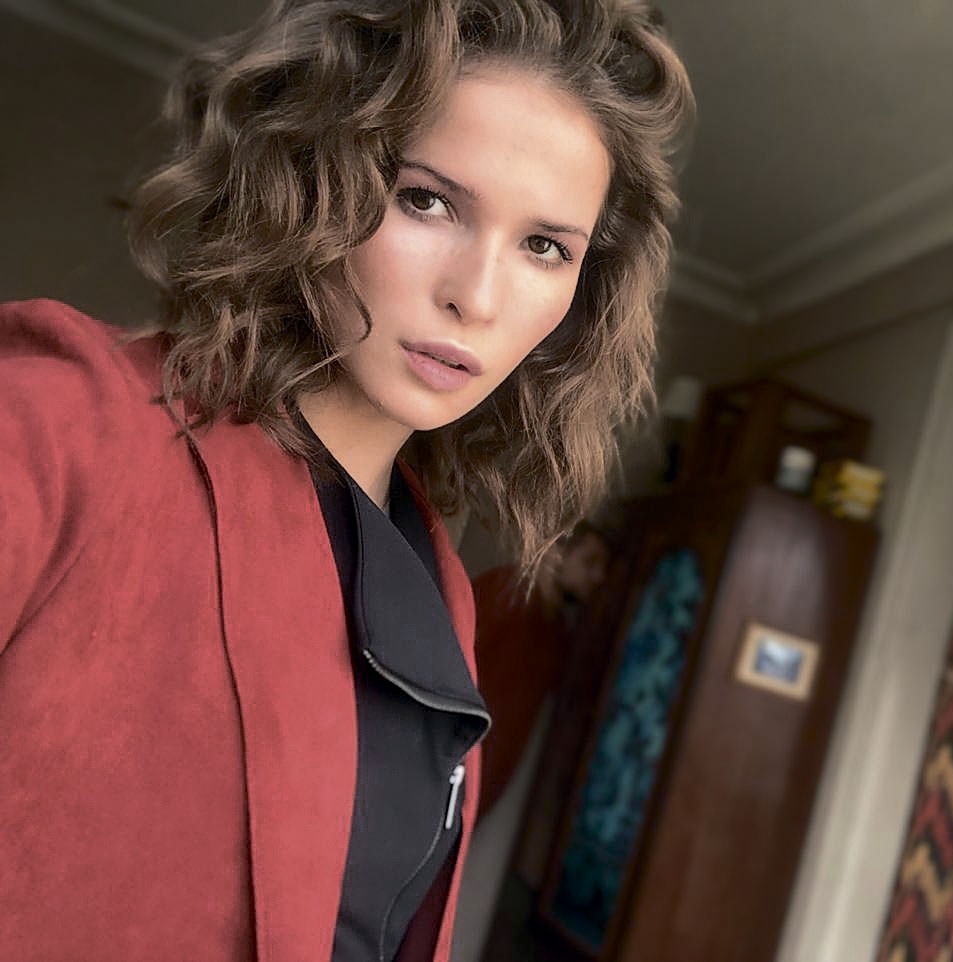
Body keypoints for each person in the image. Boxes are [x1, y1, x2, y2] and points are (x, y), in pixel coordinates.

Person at [0, 0, 692, 959]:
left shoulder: (434, 589)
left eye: (545, 247)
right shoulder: (63, 427)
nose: (476, 295)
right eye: (428, 201)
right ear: (313, 177)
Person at [474, 522, 612, 819]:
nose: (599, 577)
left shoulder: (557, 633)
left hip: (480, 788)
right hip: (445, 764)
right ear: (555, 552)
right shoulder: (505, 590)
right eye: (589, 562)